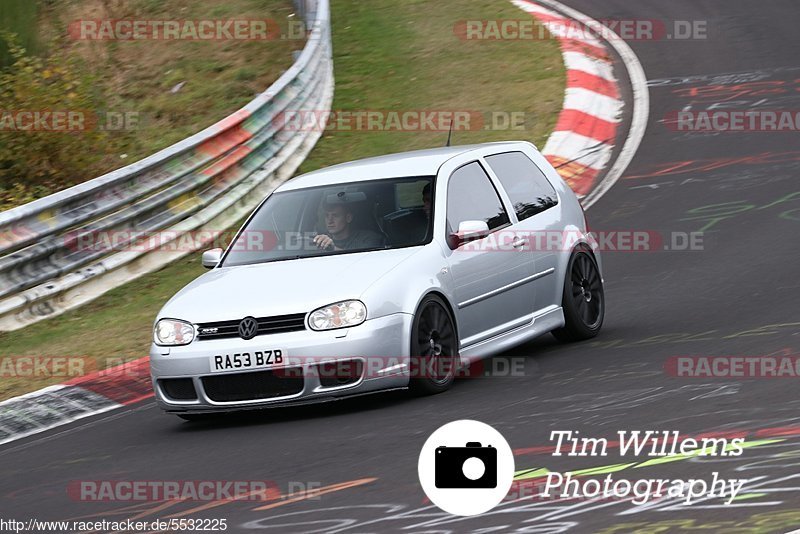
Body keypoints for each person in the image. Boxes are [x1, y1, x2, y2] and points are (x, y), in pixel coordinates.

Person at [313, 203, 384, 251]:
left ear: (348, 218)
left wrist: (333, 248)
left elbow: (363, 262)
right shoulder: (320, 241)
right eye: (327, 216)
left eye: (335, 216)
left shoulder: (368, 238)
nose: (330, 221)